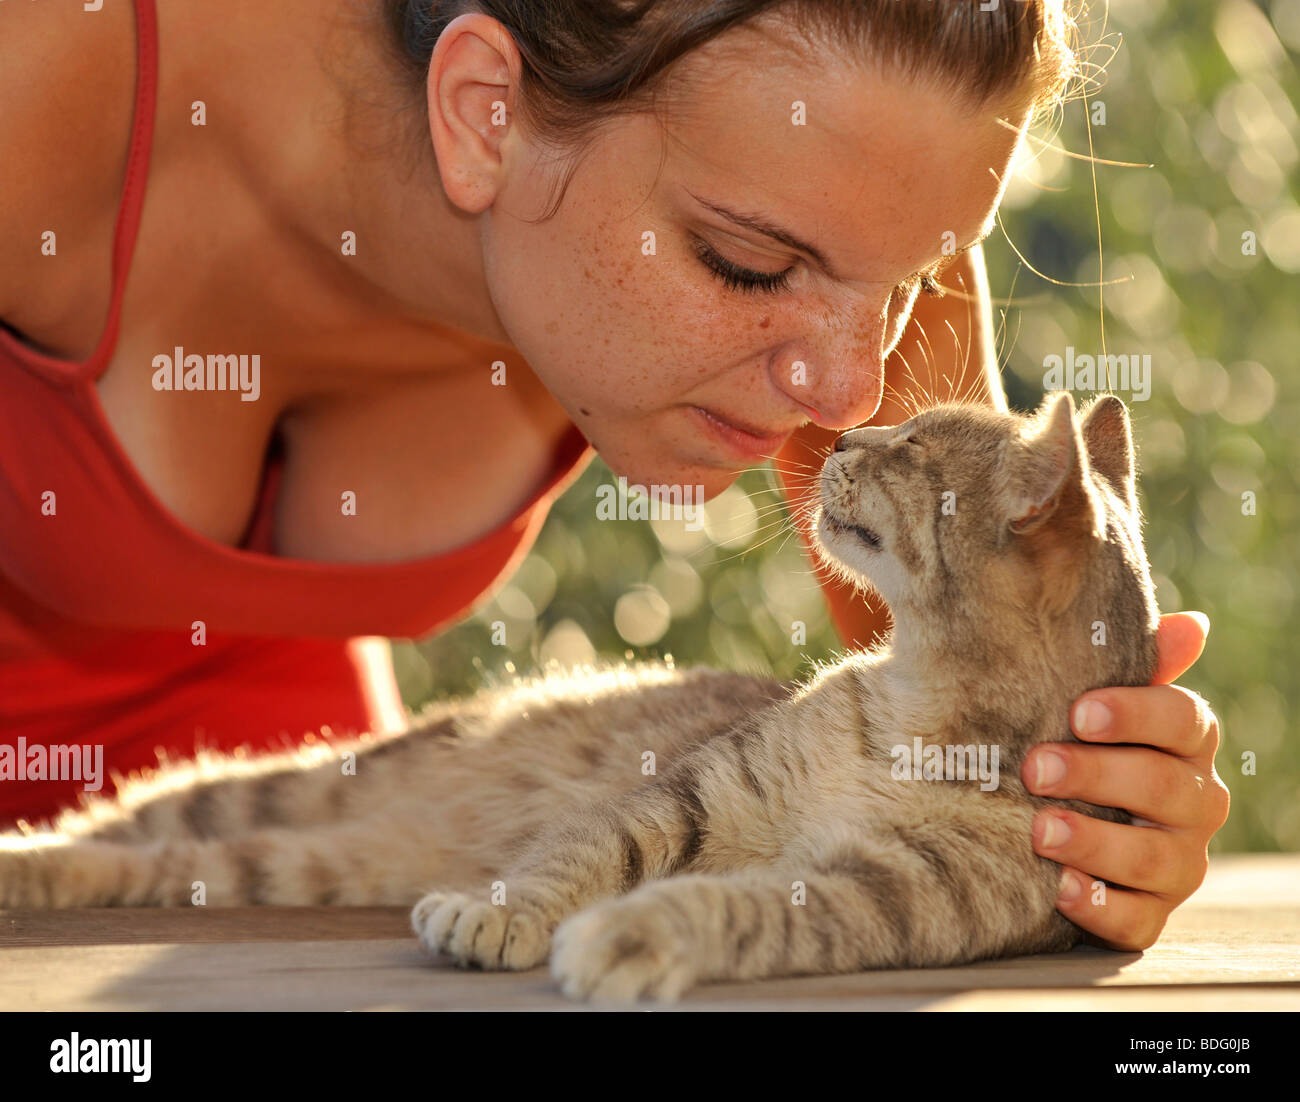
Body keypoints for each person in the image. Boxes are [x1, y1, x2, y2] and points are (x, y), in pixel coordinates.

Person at [0, 0, 1228, 952]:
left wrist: (1080, 807)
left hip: (292, 831)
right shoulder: (46, 77)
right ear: (487, 111)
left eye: (913, 277)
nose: (853, 393)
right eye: (745, 266)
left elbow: (952, 706)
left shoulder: (837, 187)